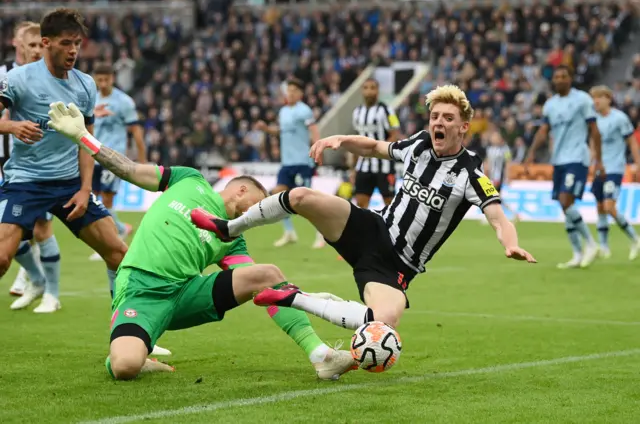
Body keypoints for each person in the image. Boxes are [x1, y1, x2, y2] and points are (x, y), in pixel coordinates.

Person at [192, 85, 536, 339]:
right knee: (299, 196)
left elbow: (497, 217)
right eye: (434, 117)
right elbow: (373, 146)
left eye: (448, 118)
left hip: (397, 265)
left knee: (383, 323)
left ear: (463, 127)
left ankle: (294, 298)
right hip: (372, 228)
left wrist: (511, 243)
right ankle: (229, 227)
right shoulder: (418, 145)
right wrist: (339, 139)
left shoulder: (471, 175)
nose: (438, 123)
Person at [46, 101, 356, 381]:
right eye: (259, 205)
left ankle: (322, 356)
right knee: (125, 368)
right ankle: (134, 351)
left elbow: (265, 288)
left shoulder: (233, 237)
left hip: (184, 295)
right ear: (241, 191)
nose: (258, 214)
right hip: (141, 291)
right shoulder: (188, 178)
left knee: (267, 273)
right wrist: (83, 138)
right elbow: (127, 169)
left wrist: (306, 298)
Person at [0, 9, 127, 313]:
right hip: (25, 182)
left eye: (77, 44)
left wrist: (85, 189)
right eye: (66, 43)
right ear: (46, 42)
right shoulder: (18, 79)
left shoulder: (85, 85)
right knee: (2, 257)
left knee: (119, 254)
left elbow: (87, 142)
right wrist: (11, 126)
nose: (73, 51)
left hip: (69, 184)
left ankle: (129, 331)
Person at [1, 22, 63, 308]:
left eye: (42, 44)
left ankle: (50, 290)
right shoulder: (6, 76)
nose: (38, 50)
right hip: (9, 164)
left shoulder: (55, 78)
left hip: (40, 167)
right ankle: (35, 278)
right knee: (13, 230)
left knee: (40, 228)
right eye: (33, 45)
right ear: (19, 45)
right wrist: (12, 126)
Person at [525, 66, 604, 269]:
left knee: (565, 199)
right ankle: (577, 254)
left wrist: (599, 159)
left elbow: (594, 130)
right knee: (564, 205)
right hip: (558, 159)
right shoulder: (550, 105)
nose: (560, 80)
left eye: (564, 76)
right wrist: (531, 152)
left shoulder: (583, 100)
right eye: (557, 77)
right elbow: (544, 130)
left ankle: (591, 244)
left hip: (577, 158)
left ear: (570, 79)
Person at [88, 63, 147, 261]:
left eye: (106, 79)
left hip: (112, 157)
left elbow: (136, 131)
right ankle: (121, 229)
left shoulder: (124, 102)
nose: (102, 83)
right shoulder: (91, 98)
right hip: (92, 154)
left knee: (106, 199)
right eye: (99, 79)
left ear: (112, 78)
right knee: (94, 200)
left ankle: (110, 241)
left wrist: (142, 159)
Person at [255, 78, 323, 248]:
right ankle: (289, 232)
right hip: (287, 163)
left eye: (294, 90)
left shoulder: (304, 110)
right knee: (278, 197)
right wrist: (266, 129)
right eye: (289, 90)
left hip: (302, 162)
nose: (290, 93)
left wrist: (318, 150)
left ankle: (321, 234)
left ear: (300, 94)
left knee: (307, 202)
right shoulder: (283, 111)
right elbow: (281, 131)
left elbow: (314, 130)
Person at [589, 85, 640, 260]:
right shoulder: (594, 119)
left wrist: (638, 164)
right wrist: (592, 161)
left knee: (609, 207)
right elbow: (593, 143)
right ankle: (604, 247)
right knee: (600, 207)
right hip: (599, 169)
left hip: (615, 168)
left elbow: (632, 142)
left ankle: (635, 239)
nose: (595, 101)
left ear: (608, 99)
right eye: (593, 98)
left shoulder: (620, 118)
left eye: (599, 97)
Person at [351, 78, 400, 209]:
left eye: (372, 88)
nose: (369, 91)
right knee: (360, 204)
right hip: (363, 166)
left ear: (377, 91)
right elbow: (356, 141)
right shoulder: (357, 112)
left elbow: (395, 134)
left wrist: (380, 150)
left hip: (384, 165)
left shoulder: (387, 110)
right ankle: (365, 230)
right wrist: (353, 168)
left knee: (390, 204)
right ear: (362, 91)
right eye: (366, 88)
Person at [483, 131, 521, 222]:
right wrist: (485, 174)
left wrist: (508, 176)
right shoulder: (490, 149)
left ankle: (494, 217)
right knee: (495, 197)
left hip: (498, 177)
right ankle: (514, 214)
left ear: (500, 138)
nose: (492, 138)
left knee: (492, 197)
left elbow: (508, 163)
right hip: (490, 177)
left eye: (495, 136)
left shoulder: (505, 149)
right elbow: (487, 163)